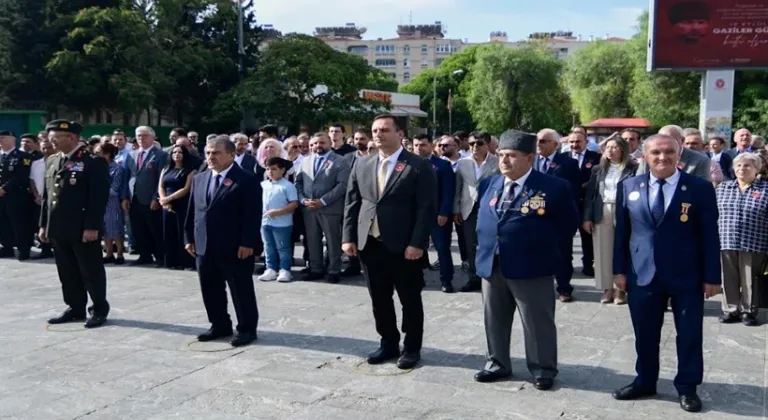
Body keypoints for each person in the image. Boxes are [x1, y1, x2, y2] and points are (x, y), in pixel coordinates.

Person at [612, 134, 721, 413]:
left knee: (689, 334)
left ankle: (687, 387)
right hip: (642, 273)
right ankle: (645, 381)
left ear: (679, 153)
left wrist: (712, 276)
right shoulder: (629, 186)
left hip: (687, 274)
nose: (663, 157)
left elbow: (710, 235)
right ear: (644, 156)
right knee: (645, 333)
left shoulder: (699, 188)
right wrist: (619, 270)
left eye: (669, 152)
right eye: (656, 153)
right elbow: (622, 233)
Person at [473, 130, 579, 390]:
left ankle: (543, 368)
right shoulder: (490, 183)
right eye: (501, 155)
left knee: (537, 321)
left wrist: (538, 246)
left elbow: (568, 225)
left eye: (511, 156)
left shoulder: (553, 186)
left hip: (532, 266)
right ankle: (497, 362)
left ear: (529, 158)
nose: (504, 161)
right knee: (494, 317)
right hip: (493, 263)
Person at [342, 114, 437, 369]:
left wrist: (417, 243)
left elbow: (425, 208)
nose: (378, 134)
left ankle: (412, 347)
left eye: (384, 129)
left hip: (404, 246)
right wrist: (348, 236)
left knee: (410, 298)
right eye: (374, 130)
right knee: (379, 298)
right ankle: (388, 342)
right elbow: (353, 202)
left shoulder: (417, 165)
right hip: (370, 243)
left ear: (400, 134)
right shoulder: (363, 164)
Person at [184, 135, 261, 347]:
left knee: (240, 288)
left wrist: (248, 242)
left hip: (235, 246)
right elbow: (194, 211)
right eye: (208, 152)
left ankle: (246, 328)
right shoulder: (200, 178)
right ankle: (219, 324)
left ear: (231, 154)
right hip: (204, 244)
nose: (210, 157)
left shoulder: (246, 179)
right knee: (209, 287)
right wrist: (189, 237)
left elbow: (252, 215)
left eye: (216, 153)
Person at [40, 120, 111, 328]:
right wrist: (44, 224)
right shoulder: (53, 160)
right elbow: (47, 197)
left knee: (90, 270)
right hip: (58, 226)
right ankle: (75, 307)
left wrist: (92, 227)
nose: (50, 141)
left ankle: (98, 308)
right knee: (66, 270)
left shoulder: (92, 162)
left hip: (82, 227)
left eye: (55, 138)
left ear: (71, 137)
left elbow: (98, 198)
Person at [582, 136, 637, 304]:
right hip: (602, 209)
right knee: (603, 251)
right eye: (607, 147)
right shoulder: (598, 169)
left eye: (614, 147)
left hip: (625, 211)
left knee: (623, 248)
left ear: (622, 150)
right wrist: (587, 217)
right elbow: (590, 195)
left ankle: (621, 290)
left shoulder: (633, 168)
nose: (610, 150)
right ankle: (607, 289)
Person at [716, 153, 768, 326]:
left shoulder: (765, 189)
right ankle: (731, 310)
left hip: (754, 241)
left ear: (757, 168)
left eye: (747, 166)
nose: (742, 169)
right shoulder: (724, 187)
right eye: (738, 165)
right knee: (728, 276)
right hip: (726, 239)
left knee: (750, 278)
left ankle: (748, 311)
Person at [295, 132, 350, 283]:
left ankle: (333, 270)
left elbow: (342, 185)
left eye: (322, 143)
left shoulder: (340, 161)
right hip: (309, 208)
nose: (317, 146)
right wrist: (302, 199)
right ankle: (316, 269)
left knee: (333, 241)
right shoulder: (305, 161)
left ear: (330, 143)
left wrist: (323, 201)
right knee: (312, 240)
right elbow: (298, 182)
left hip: (330, 208)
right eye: (314, 143)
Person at [535, 129, 581, 301]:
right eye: (538, 140)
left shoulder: (568, 163)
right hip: (535, 215)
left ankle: (564, 288)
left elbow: (573, 191)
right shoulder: (531, 161)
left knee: (563, 253)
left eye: (543, 141)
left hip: (559, 216)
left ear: (555, 144)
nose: (539, 144)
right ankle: (540, 286)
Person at [453, 131, 499, 292]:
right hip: (469, 209)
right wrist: (456, 209)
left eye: (479, 143)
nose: (474, 147)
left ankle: (491, 277)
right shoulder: (462, 163)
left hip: (491, 209)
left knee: (489, 244)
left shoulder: (498, 162)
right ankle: (474, 278)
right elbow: (458, 187)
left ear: (487, 145)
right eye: (472, 143)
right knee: (471, 245)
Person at [413, 134, 455, 292]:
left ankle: (446, 280)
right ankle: (418, 278)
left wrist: (444, 212)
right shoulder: (407, 163)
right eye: (416, 145)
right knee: (416, 246)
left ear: (431, 145)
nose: (419, 148)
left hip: (437, 214)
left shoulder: (442, 165)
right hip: (415, 215)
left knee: (442, 248)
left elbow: (448, 191)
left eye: (423, 145)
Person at [125, 126, 168, 266]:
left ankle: (160, 256)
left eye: (144, 135)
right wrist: (125, 197)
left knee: (154, 229)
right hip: (134, 198)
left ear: (152, 137)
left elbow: (162, 178)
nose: (141, 138)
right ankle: (144, 255)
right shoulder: (132, 154)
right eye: (138, 136)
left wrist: (156, 197)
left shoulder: (160, 155)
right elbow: (127, 176)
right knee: (138, 228)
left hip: (150, 199)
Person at [257, 156, 299, 283]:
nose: (270, 172)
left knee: (283, 247)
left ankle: (285, 269)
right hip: (265, 222)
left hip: (282, 223)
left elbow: (294, 204)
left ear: (282, 170)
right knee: (268, 246)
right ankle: (271, 268)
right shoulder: (263, 185)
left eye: (274, 169)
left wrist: (279, 212)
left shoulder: (287, 186)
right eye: (268, 169)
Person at [158, 145, 197, 270]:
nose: (177, 154)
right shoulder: (166, 169)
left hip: (182, 205)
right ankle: (171, 261)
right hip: (167, 206)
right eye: (174, 152)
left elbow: (186, 189)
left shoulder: (190, 170)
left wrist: (168, 199)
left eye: (180, 152)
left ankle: (186, 261)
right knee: (168, 233)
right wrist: (163, 200)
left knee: (182, 232)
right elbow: (161, 186)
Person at [0, 130, 33, 260]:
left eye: (3, 138)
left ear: (12, 140)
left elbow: (22, 176)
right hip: (1, 197)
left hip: (16, 196)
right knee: (3, 223)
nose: (0, 140)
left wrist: (4, 188)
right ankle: (7, 248)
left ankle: (23, 249)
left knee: (19, 224)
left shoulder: (22, 156)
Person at [96, 143, 130, 265]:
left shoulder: (117, 169)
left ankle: (120, 253)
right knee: (104, 229)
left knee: (115, 227)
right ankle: (109, 252)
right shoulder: (97, 168)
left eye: (99, 152)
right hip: (99, 202)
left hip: (112, 202)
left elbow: (115, 190)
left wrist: (97, 190)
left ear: (107, 154)